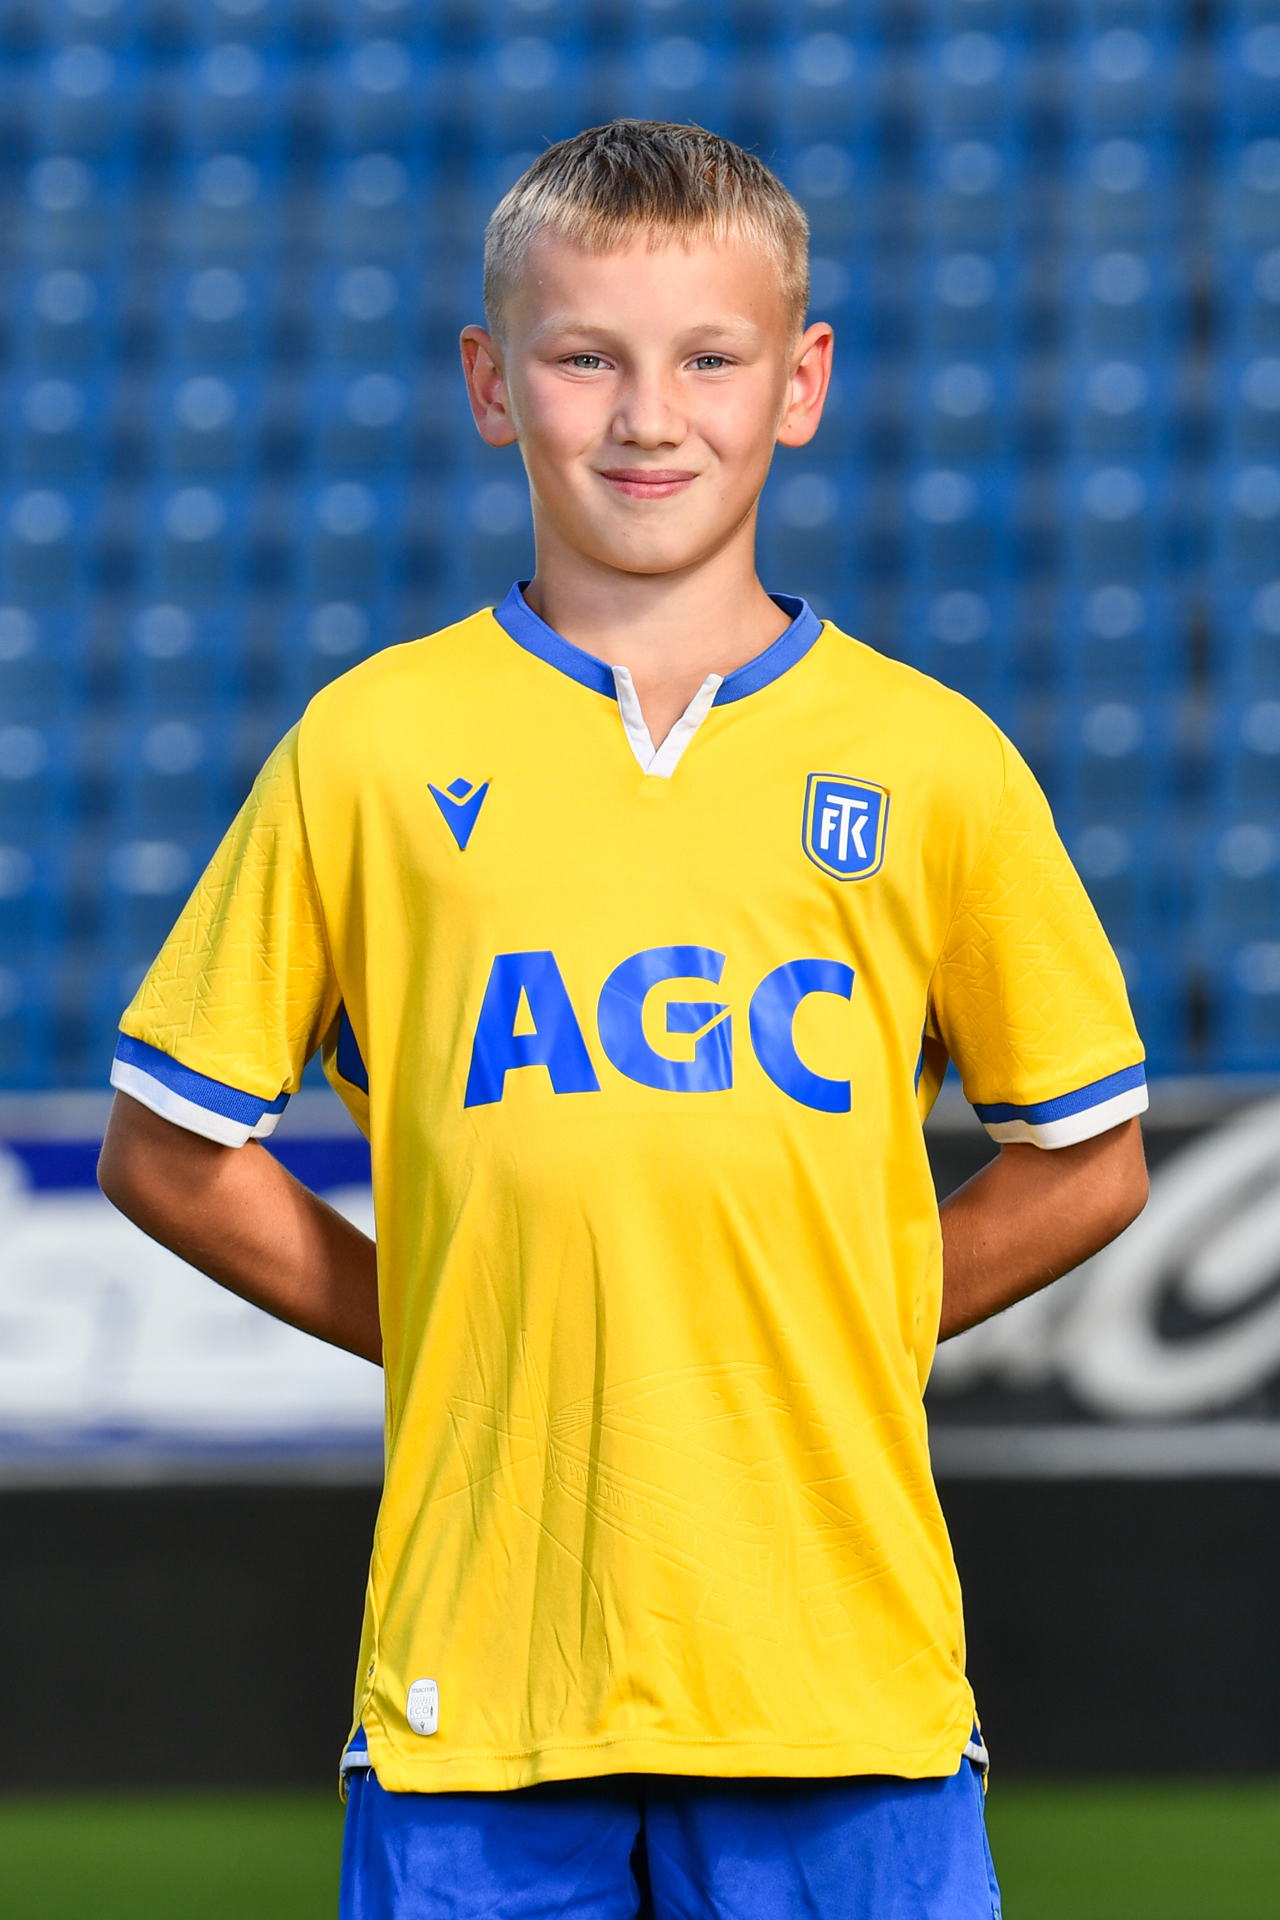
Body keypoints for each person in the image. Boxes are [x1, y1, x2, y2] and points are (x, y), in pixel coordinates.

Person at [99, 121, 1149, 1919]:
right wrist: (446, 1321)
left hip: (839, 1678)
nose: (649, 417)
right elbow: (169, 1150)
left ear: (800, 384)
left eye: (710, 359)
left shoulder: (933, 761)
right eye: (586, 357)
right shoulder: (369, 747)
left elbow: (1090, 1159)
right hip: (480, 1689)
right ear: (491, 383)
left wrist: (838, 1311)